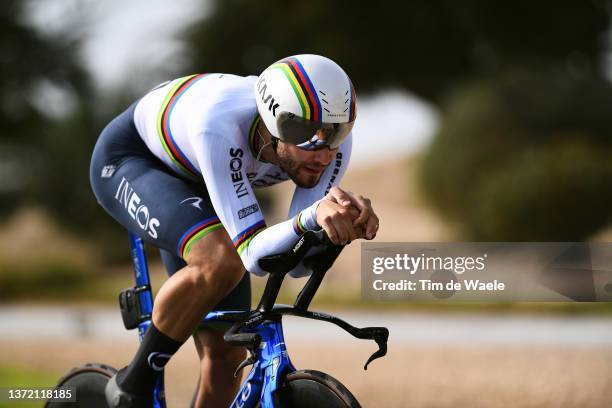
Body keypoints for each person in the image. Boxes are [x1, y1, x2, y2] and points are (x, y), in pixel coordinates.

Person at [90, 54, 379, 407]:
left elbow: (297, 263)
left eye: (336, 131)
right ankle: (131, 387)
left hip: (200, 174)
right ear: (275, 123)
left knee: (227, 356)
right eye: (307, 134)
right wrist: (311, 217)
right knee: (220, 260)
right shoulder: (220, 125)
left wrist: (340, 227)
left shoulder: (331, 149)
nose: (322, 152)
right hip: (133, 159)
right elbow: (253, 256)